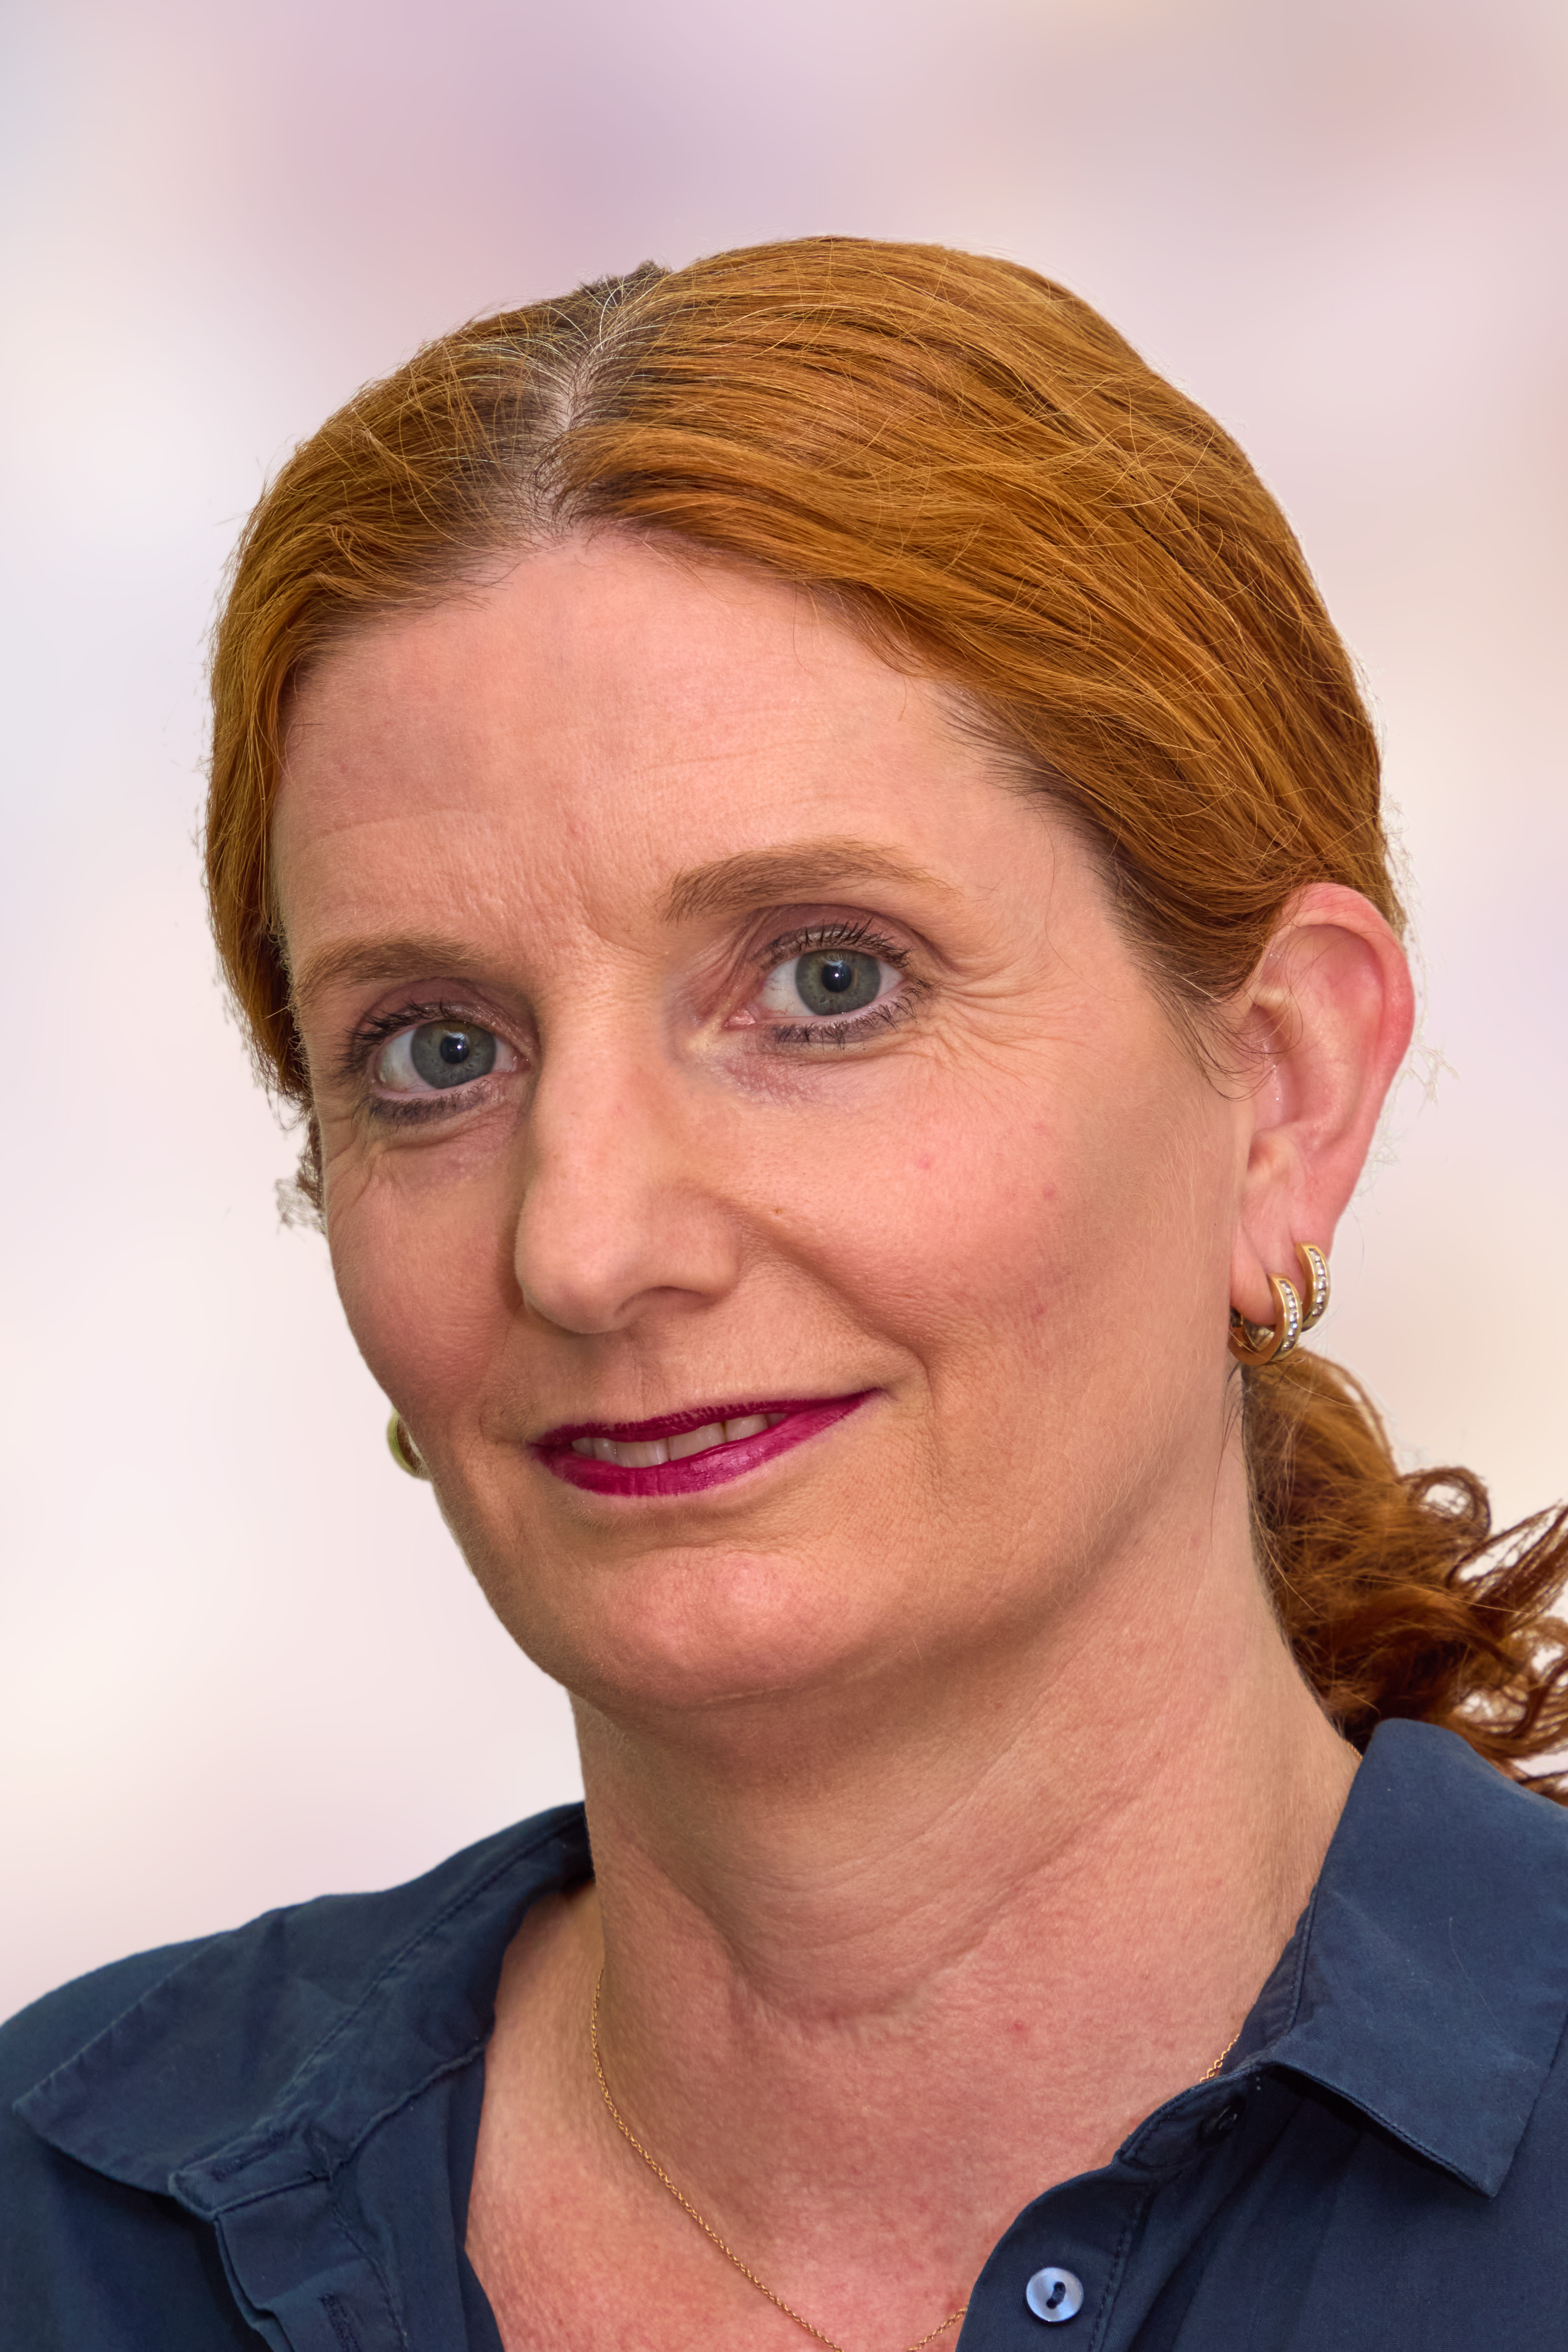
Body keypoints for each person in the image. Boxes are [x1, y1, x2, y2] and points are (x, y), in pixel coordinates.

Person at [4, 237, 1567, 2352]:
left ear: (1283, 1089)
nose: (586, 1242)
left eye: (831, 983)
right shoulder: (61, 2242)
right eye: (438, 1050)